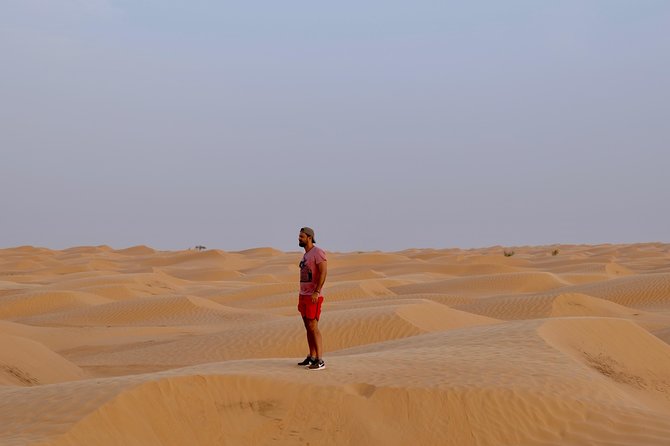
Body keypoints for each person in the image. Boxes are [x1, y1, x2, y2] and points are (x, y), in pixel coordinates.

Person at [296, 227, 327, 370]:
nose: (299, 238)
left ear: (309, 237)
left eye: (301, 236)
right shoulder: (306, 255)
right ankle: (312, 357)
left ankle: (320, 360)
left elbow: (323, 272)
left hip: (312, 296)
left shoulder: (318, 252)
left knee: (313, 327)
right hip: (303, 295)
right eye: (299, 236)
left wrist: (317, 291)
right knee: (307, 327)